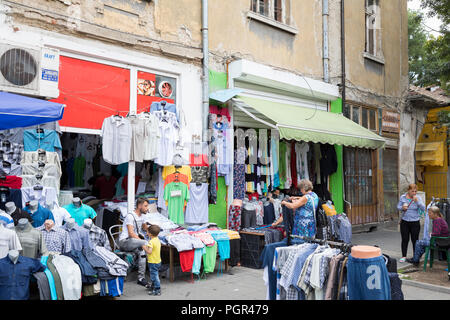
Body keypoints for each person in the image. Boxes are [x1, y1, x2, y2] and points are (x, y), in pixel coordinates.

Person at [118, 198, 150, 287]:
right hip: (125, 242)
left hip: (135, 242)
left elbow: (144, 227)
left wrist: (153, 231)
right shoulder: (130, 216)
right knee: (145, 243)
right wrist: (143, 242)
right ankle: (152, 260)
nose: (147, 208)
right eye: (145, 206)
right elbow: (131, 233)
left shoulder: (143, 216)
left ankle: (141, 278)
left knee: (142, 252)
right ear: (139, 206)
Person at [397, 184, 426, 263]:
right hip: (405, 221)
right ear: (408, 190)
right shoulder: (403, 197)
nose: (414, 193)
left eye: (415, 191)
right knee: (405, 239)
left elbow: (423, 208)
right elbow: (398, 207)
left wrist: (418, 202)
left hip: (415, 222)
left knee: (415, 240)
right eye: (412, 191)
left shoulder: (418, 198)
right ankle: (403, 256)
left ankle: (415, 257)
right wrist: (402, 208)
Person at [143, 224, 162, 296]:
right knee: (154, 275)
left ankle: (157, 289)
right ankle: (153, 287)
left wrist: (143, 246)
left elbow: (149, 251)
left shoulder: (151, 242)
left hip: (152, 262)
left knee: (154, 276)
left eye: (147, 232)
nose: (146, 233)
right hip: (158, 261)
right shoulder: (157, 240)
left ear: (150, 234)